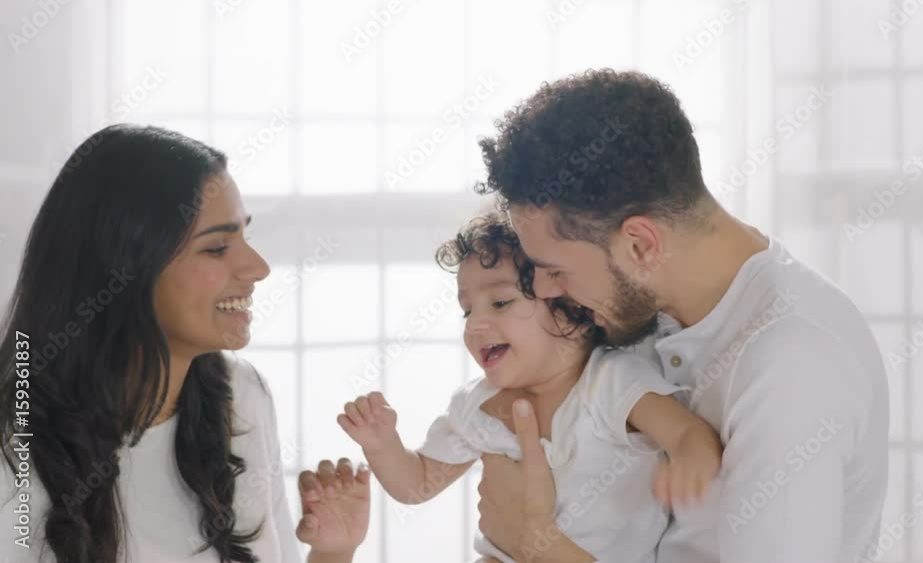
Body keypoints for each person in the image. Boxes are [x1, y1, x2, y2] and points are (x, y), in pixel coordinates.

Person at [471, 69, 890, 562]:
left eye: (556, 270)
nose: (542, 290)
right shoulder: (644, 314)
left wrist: (535, 544)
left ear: (640, 244)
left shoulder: (791, 366)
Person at [0, 124, 364, 563]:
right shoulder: (14, 434)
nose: (258, 267)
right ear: (127, 265)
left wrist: (334, 551)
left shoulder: (241, 397)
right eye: (216, 248)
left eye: (244, 237)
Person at [336, 213, 722, 562]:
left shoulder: (609, 382)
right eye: (467, 310)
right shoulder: (479, 404)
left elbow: (687, 431)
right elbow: (417, 484)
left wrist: (690, 461)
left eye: (500, 302)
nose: (475, 325)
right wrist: (382, 444)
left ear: (575, 313)